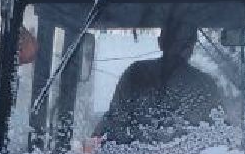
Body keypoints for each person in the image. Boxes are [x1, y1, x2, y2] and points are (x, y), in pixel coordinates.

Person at [95, 18, 226, 145]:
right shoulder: (136, 75)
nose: (180, 49)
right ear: (161, 42)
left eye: (184, 43)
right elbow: (114, 123)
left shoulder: (136, 74)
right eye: (175, 42)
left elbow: (219, 135)